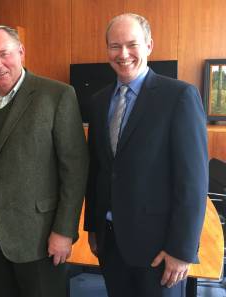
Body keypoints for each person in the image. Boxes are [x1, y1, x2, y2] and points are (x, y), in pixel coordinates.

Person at [0, 25, 89, 297]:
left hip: (40, 236)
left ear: (21, 52)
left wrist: (64, 231)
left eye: (4, 53)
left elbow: (74, 171)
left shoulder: (57, 95)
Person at [84, 13, 208, 297]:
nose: (123, 54)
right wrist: (93, 227)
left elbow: (193, 182)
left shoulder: (179, 97)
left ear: (149, 45)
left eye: (132, 44)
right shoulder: (99, 100)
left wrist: (182, 249)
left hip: (160, 250)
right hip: (111, 243)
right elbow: (100, 170)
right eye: (115, 46)